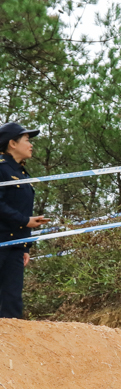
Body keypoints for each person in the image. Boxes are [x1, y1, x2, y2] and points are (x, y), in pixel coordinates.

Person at [0, 122, 50, 318]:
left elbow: (23, 209)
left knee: (12, 301)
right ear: (12, 143)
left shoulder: (22, 173)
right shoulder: (1, 170)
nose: (31, 145)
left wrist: (25, 247)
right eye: (27, 140)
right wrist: (25, 220)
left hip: (15, 246)